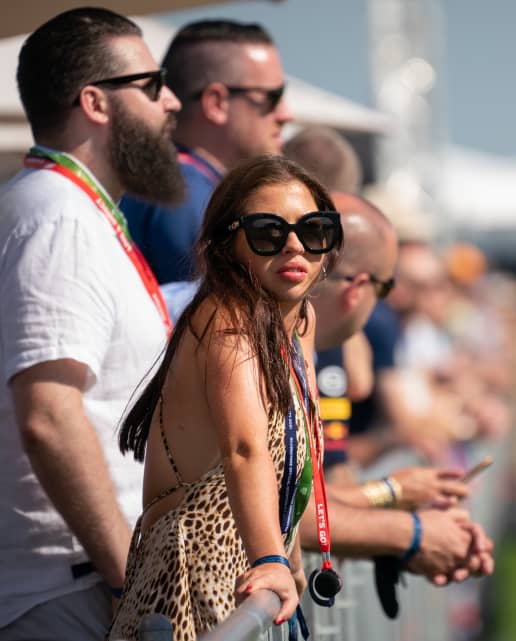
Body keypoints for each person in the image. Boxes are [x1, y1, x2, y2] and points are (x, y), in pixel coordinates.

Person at [0, 8, 182, 641]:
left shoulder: (74, 213)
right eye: (154, 85)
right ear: (95, 103)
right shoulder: (59, 219)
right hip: (72, 592)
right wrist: (133, 582)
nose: (172, 102)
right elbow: (49, 417)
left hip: (85, 584)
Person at [108, 155, 343, 640]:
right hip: (189, 577)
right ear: (227, 242)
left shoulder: (300, 321)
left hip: (248, 577)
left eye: (314, 229)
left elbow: (294, 463)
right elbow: (244, 447)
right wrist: (273, 559)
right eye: (267, 232)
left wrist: (291, 560)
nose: (294, 246)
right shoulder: (226, 319)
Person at [300, 193, 494, 586]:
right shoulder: (259, 344)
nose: (387, 307)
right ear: (357, 288)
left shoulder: (296, 345)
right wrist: (407, 523)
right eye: (388, 287)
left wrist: (405, 521)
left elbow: (303, 501)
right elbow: (295, 514)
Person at [121, 18, 294, 284]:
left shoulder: (167, 181)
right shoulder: (187, 193)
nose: (286, 114)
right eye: (271, 97)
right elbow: (226, 319)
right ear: (216, 103)